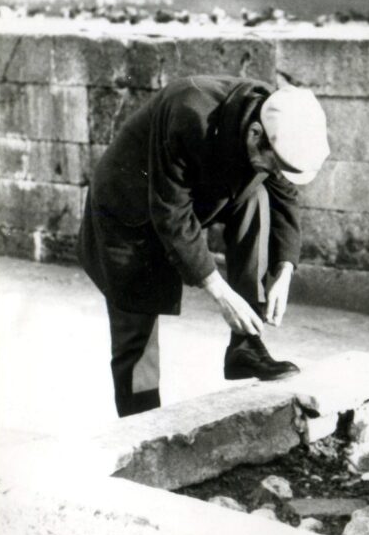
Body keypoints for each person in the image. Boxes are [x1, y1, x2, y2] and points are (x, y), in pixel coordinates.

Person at [77, 75, 329, 417]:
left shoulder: (277, 117)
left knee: (257, 199)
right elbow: (171, 216)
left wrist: (284, 271)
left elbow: (283, 195)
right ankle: (142, 432)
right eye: (275, 164)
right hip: (128, 213)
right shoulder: (188, 113)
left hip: (186, 199)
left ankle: (245, 347)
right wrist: (221, 294)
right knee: (137, 337)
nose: (276, 173)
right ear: (255, 135)